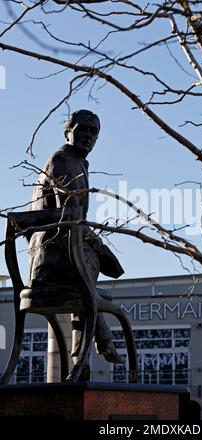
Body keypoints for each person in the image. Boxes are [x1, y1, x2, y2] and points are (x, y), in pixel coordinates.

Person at [27, 109, 123, 377]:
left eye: (94, 132)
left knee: (89, 281)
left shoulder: (78, 163)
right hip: (53, 259)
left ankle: (85, 361)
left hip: (67, 254)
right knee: (88, 282)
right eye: (83, 129)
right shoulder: (62, 160)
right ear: (68, 131)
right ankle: (97, 345)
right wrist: (100, 246)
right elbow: (69, 217)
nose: (88, 136)